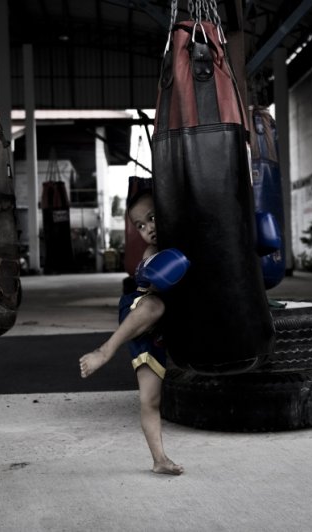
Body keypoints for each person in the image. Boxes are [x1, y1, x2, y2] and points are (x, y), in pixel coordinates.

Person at [79, 187, 188, 475]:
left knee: (149, 400)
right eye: (140, 225)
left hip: (159, 334)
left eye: (151, 218)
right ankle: (105, 350)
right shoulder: (154, 252)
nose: (148, 229)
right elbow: (154, 282)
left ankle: (159, 459)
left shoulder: (188, 239)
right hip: (138, 311)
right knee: (156, 306)